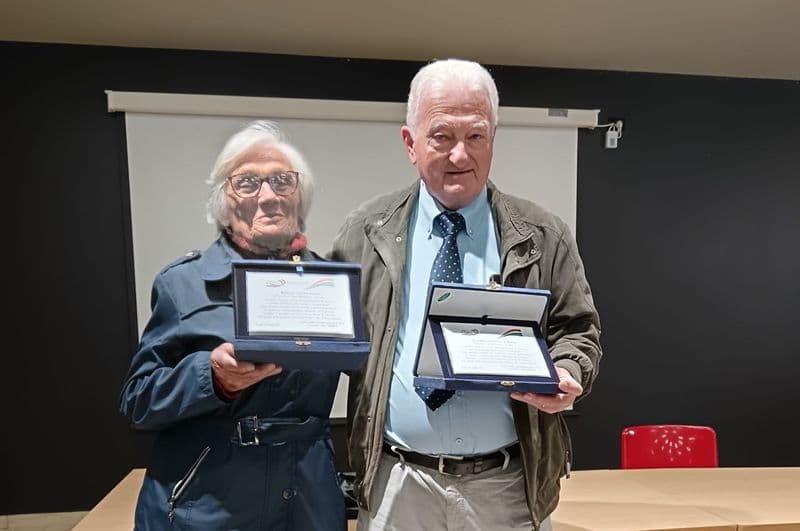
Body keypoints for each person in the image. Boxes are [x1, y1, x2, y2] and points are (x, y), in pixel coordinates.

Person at [330, 59, 602, 531]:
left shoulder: (542, 233)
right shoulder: (366, 231)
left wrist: (568, 369)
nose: (460, 155)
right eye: (441, 137)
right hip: (398, 483)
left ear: (493, 139)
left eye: (476, 136)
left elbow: (577, 330)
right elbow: (332, 333)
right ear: (410, 143)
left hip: (508, 486)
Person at [119, 120, 345, 530]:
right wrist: (211, 378)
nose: (268, 196)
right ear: (224, 201)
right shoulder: (182, 284)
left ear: (300, 196)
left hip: (308, 503)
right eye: (247, 183)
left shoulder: (332, 285)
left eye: (282, 181)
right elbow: (138, 401)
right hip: (207, 507)